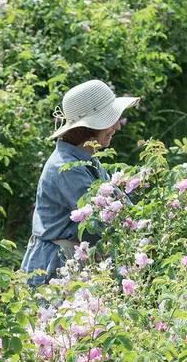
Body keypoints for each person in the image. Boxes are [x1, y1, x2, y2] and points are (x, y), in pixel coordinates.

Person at [21, 79, 138, 284]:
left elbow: (120, 210)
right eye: (110, 121)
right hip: (54, 269)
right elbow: (101, 222)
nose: (117, 127)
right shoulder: (66, 167)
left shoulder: (86, 160)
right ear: (89, 128)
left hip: (73, 263)